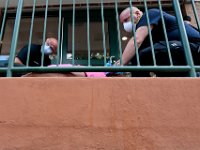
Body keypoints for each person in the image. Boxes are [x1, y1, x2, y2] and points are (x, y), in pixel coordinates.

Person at [115, 7, 200, 76]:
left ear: (137, 14)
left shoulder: (150, 14)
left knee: (145, 54)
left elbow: (137, 40)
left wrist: (122, 62)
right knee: (138, 58)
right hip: (180, 51)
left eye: (126, 20)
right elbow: (136, 58)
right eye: (122, 23)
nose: (124, 25)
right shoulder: (149, 35)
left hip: (194, 46)